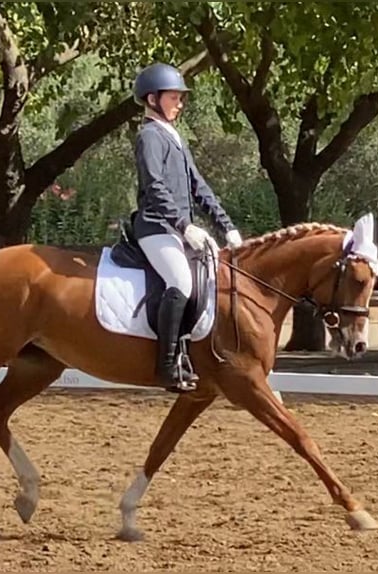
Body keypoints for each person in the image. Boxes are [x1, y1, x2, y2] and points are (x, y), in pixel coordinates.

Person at [131, 62, 243, 393]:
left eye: (181, 97)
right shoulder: (149, 136)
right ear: (152, 99)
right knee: (179, 280)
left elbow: (199, 186)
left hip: (176, 229)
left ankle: (189, 352)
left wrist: (227, 226)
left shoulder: (174, 138)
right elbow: (154, 187)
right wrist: (183, 225)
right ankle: (166, 365)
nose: (180, 103)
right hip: (154, 227)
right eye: (174, 97)